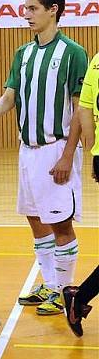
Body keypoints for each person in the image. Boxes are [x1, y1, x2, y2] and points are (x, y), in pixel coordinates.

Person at [0, 0, 87, 315]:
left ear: (53, 10)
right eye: (25, 8)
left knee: (60, 223)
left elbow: (80, 108)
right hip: (26, 150)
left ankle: (66, 291)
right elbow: (11, 93)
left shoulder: (73, 53)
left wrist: (68, 155)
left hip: (56, 147)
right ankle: (49, 283)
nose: (26, 14)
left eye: (32, 8)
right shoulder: (23, 53)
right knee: (34, 218)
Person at [64, 50, 99, 337]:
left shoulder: (97, 60)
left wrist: (95, 151)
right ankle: (79, 297)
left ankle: (80, 297)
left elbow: (85, 108)